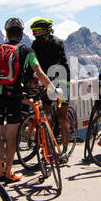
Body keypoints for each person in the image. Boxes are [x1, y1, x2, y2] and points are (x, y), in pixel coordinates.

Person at [0, 18, 58, 183]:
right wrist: (53, 89)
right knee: (11, 137)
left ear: (6, 33)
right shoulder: (27, 51)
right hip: (13, 97)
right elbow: (39, 73)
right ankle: (9, 172)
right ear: (21, 33)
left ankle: (0, 171)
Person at [30, 19, 73, 157]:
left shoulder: (56, 43)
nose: (34, 35)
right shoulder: (35, 44)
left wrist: (56, 85)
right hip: (47, 80)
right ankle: (48, 143)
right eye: (33, 32)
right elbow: (33, 64)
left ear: (45, 31)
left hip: (60, 79)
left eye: (36, 31)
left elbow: (58, 65)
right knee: (46, 115)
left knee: (62, 118)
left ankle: (65, 151)